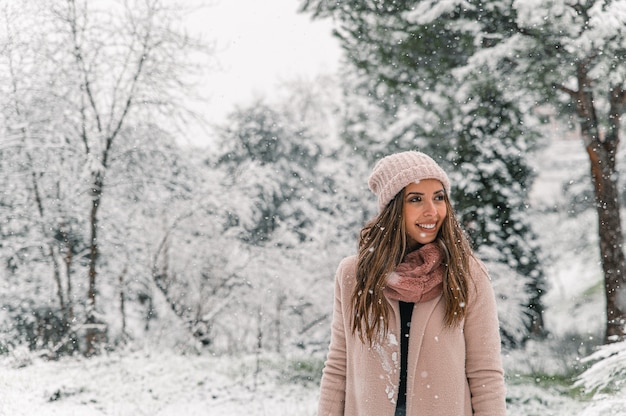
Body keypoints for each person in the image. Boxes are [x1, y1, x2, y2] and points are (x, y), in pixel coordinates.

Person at [317, 151, 506, 416]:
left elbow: (485, 373)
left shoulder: (467, 274)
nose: (432, 211)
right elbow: (339, 366)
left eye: (439, 198)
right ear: (393, 209)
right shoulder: (355, 275)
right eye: (415, 199)